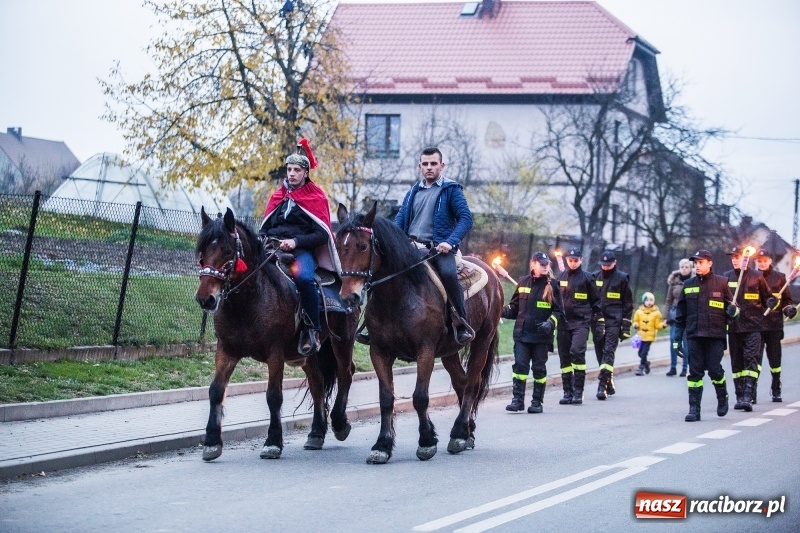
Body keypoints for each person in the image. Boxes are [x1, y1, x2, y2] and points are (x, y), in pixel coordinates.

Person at [260, 139, 341, 356]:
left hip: (300, 251)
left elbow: (322, 233)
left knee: (304, 279)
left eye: (297, 169)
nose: (292, 173)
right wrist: (263, 239)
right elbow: (265, 226)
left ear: (305, 172)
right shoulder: (277, 196)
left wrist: (295, 242)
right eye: (289, 169)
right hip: (271, 249)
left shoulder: (316, 196)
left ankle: (312, 328)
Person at [394, 146, 474, 345]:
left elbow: (465, 218)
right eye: (425, 164)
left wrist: (450, 241)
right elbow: (401, 219)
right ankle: (373, 325)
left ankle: (460, 322)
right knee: (384, 271)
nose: (429, 167)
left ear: (442, 166)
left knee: (447, 274)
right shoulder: (414, 191)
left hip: (438, 249)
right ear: (419, 166)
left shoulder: (451, 190)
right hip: (410, 247)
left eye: (433, 164)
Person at [675, 249, 738, 422]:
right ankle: (694, 409)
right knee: (694, 373)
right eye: (696, 263)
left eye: (701, 262)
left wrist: (733, 311)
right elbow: (680, 315)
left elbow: (734, 310)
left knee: (714, 369)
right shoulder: (688, 285)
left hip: (715, 336)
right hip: (694, 335)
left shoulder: (721, 283)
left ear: (710, 263)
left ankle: (722, 397)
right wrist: (676, 340)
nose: (697, 266)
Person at [502, 252, 564, 413]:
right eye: (541, 264)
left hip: (541, 336)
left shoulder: (554, 285)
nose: (545, 267)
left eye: (546, 264)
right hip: (522, 334)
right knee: (520, 367)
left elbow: (559, 312)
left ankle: (537, 402)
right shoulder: (523, 282)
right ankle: (517, 400)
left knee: (538, 369)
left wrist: (550, 324)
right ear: (533, 264)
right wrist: (500, 311)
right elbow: (514, 309)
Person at [722, 246, 773, 411]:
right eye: (733, 257)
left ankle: (748, 396)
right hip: (734, 327)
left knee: (750, 359)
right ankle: (739, 394)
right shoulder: (726, 277)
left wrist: (772, 302)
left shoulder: (757, 277)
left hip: (753, 326)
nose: (735, 259)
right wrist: (726, 310)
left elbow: (768, 298)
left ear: (745, 258)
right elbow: (722, 302)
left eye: (738, 256)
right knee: (736, 362)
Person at [555, 248, 601, 405]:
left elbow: (596, 302)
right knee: (564, 357)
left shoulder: (588, 278)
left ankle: (578, 391)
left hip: (581, 322)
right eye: (570, 260)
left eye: (576, 260)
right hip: (563, 323)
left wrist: (599, 322)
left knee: (577, 351)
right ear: (567, 260)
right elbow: (553, 299)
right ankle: (567, 391)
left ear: (581, 260)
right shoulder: (560, 277)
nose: (573, 263)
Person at [591, 250, 633, 400]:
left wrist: (626, 325)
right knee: (599, 352)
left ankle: (602, 385)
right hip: (597, 320)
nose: (606, 267)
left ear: (614, 263)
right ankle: (608, 380)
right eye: (603, 265)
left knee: (609, 350)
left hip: (614, 320)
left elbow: (628, 303)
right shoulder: (594, 277)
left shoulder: (622, 278)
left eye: (608, 265)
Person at [755, 249, 796, 402]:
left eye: (765, 260)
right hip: (757, 325)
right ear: (756, 262)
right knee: (755, 358)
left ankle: (776, 385)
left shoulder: (780, 278)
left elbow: (787, 300)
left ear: (770, 261)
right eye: (759, 260)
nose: (762, 263)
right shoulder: (752, 277)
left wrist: (788, 310)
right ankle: (751, 388)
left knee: (775, 358)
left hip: (774, 324)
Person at [664, 259, 692, 377]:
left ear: (690, 268)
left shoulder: (695, 281)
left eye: (686, 267)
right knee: (673, 340)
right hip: (675, 315)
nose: (684, 269)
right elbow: (668, 300)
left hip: (689, 315)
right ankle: (673, 367)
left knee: (686, 342)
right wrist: (666, 317)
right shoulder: (674, 282)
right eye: (682, 267)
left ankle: (685, 368)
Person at [632, 292, 665, 376]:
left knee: (644, 353)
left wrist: (663, 325)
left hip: (650, 336)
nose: (649, 302)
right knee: (640, 353)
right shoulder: (639, 312)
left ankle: (641, 368)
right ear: (643, 301)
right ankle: (646, 364)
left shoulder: (656, 313)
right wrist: (635, 325)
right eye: (647, 300)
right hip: (641, 335)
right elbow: (635, 321)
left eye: (651, 300)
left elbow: (657, 325)